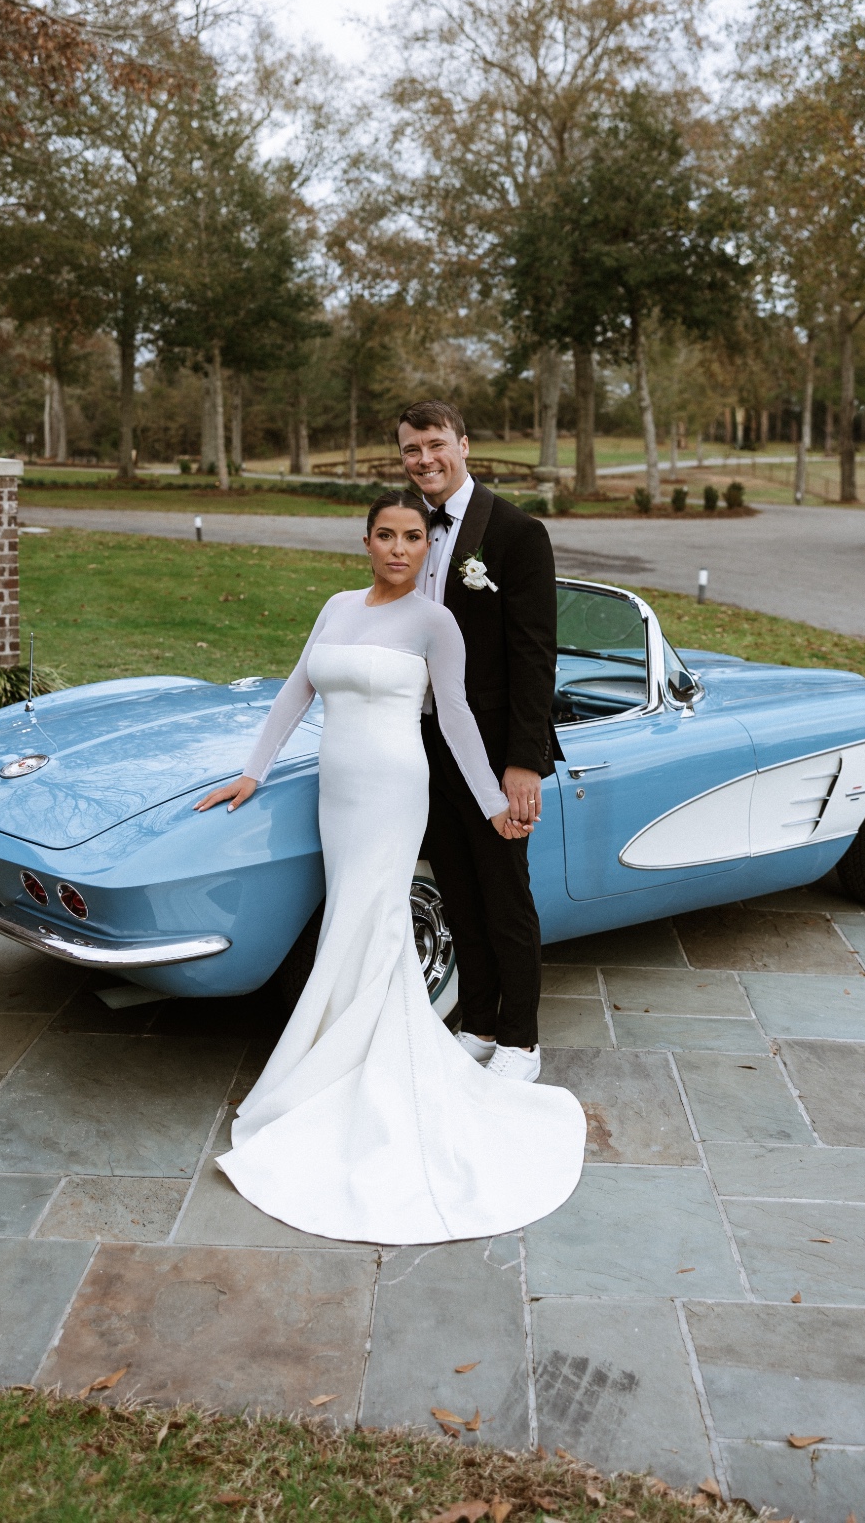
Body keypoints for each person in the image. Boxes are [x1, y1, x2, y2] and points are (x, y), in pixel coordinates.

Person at [194, 490, 584, 1245]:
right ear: (366, 540)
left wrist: (490, 802)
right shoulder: (337, 607)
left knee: (374, 916)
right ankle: (343, 1044)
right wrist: (253, 771)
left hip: (396, 787)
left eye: (412, 537)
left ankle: (369, 1060)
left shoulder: (436, 622)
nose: (400, 548)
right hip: (336, 790)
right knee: (349, 911)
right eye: (386, 535)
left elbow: (462, 716)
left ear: (423, 548)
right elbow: (294, 692)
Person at [398, 400, 559, 1083]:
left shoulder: (518, 535)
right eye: (411, 450)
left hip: (494, 751)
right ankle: (481, 1023)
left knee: (504, 892)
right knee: (458, 889)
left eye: (436, 444)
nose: (425, 460)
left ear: (464, 444)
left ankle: (521, 1040)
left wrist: (524, 763)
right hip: (424, 744)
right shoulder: (409, 530)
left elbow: (534, 656)